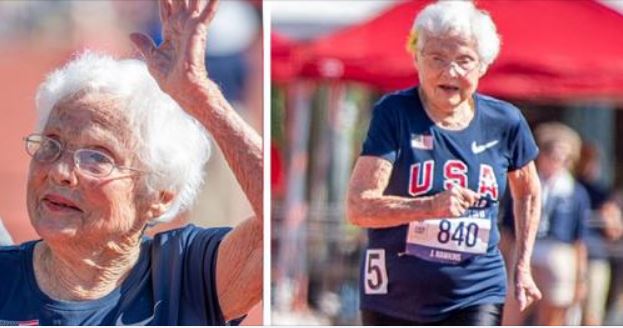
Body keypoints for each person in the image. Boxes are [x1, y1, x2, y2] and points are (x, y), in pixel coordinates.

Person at [0, 0, 262, 325]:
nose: (60, 171)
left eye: (97, 157)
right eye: (51, 146)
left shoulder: (187, 278)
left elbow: (272, 231)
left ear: (160, 196)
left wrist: (201, 98)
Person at [346, 1, 542, 325]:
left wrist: (522, 265)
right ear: (417, 60)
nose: (450, 72)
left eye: (464, 60)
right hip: (394, 296)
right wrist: (430, 206)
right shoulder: (393, 113)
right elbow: (358, 207)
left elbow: (529, 191)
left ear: (482, 66)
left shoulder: (505, 122)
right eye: (437, 58)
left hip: (476, 291)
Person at [502, 122, 589, 325]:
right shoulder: (525, 184)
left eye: (565, 157)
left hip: (558, 250)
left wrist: (580, 277)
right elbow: (508, 228)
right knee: (514, 306)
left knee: (554, 309)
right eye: (552, 154)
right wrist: (505, 262)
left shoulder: (575, 192)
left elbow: (579, 239)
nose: (558, 161)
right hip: (525, 246)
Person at [576, 143, 623, 325]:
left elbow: (613, 229)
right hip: (577, 256)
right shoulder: (571, 188)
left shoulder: (601, 192)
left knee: (592, 313)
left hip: (596, 256)